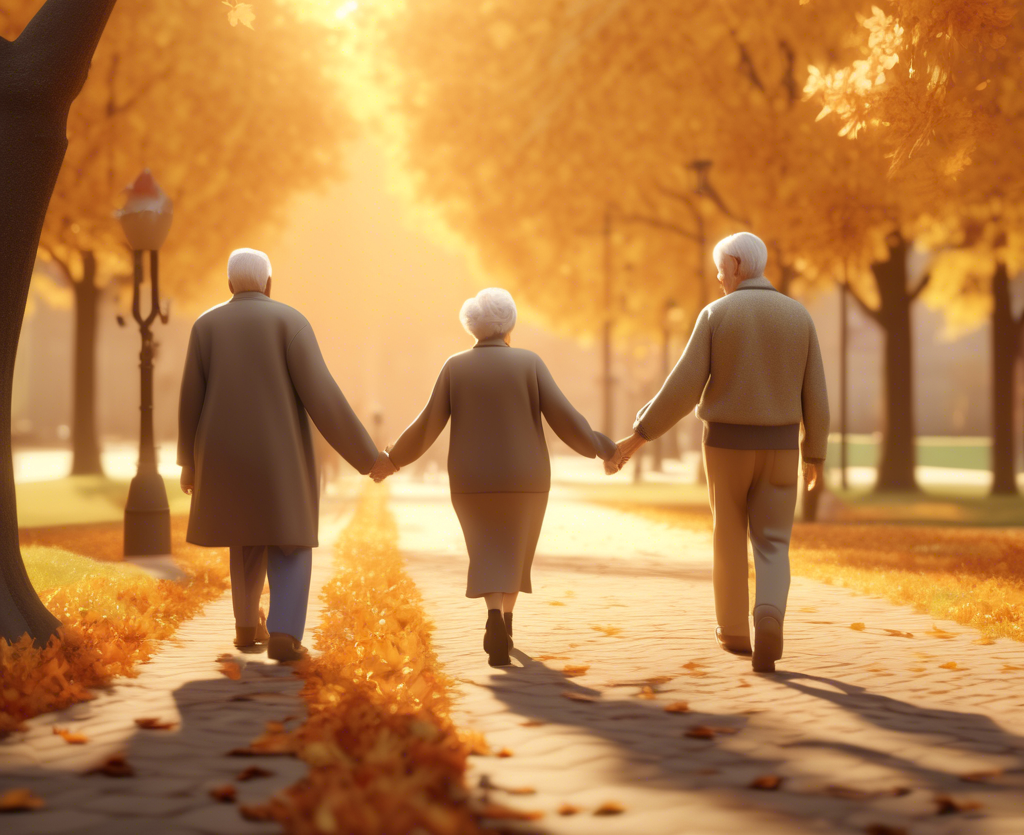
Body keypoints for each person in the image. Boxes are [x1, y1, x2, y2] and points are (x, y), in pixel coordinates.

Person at [607, 233, 829, 673]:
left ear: (736, 265)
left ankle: (733, 632)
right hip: (782, 446)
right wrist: (814, 454)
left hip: (726, 446)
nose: (717, 276)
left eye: (720, 269)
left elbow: (683, 388)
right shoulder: (799, 316)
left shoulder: (716, 315)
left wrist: (638, 435)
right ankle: (769, 615)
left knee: (728, 535)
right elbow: (816, 394)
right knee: (773, 542)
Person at [370, 288, 616, 666]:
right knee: (516, 550)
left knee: (485, 548)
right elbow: (565, 417)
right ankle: (508, 623)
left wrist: (392, 459)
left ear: (471, 325)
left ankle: (493, 618)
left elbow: (427, 425)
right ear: (510, 323)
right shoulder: (530, 363)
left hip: (472, 479)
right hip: (526, 476)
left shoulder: (455, 366)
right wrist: (604, 449)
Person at [177, 248, 380, 662]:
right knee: (288, 538)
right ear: (269, 284)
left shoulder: (205, 325)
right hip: (280, 455)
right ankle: (285, 631)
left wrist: (188, 461)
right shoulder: (291, 322)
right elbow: (323, 396)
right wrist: (368, 457)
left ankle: (247, 626)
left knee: (244, 535)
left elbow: (190, 400)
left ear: (229, 284)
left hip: (224, 455)